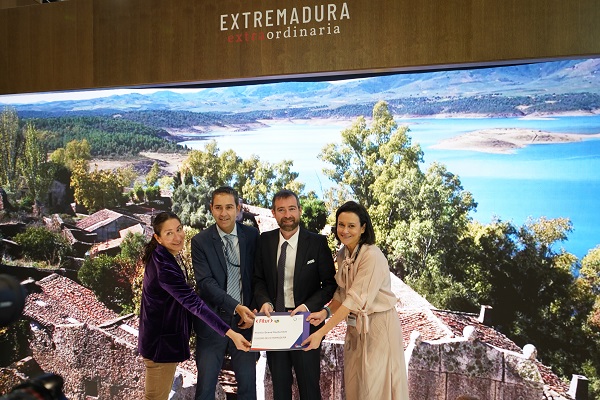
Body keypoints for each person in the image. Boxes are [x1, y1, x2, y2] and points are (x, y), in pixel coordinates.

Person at [302, 201, 409, 400]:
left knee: (375, 389)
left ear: (363, 228)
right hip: (354, 330)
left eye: (351, 226)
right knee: (355, 388)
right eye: (341, 225)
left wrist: (321, 333)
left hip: (378, 328)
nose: (345, 230)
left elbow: (353, 300)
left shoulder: (372, 255)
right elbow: (342, 294)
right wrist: (325, 313)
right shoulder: (343, 254)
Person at [137, 211, 251, 400]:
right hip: (160, 347)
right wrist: (231, 334)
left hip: (161, 344)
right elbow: (194, 304)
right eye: (169, 233)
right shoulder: (164, 266)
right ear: (157, 238)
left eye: (179, 229)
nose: (178, 237)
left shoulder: (164, 256)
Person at [253, 189, 337, 400]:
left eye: (291, 209)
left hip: (306, 324)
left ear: (299, 210)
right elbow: (258, 279)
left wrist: (308, 306)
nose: (287, 215)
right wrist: (264, 301)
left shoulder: (317, 243)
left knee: (309, 389)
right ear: (273, 213)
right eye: (281, 210)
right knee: (280, 390)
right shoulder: (264, 241)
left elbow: (329, 284)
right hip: (275, 324)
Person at [191, 187, 260, 400]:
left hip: (246, 323)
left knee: (248, 389)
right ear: (211, 209)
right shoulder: (200, 241)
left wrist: (253, 310)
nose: (223, 213)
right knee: (205, 389)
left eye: (229, 207)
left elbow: (258, 277)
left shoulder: (252, 236)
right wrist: (236, 306)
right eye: (218, 207)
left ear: (238, 209)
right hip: (212, 322)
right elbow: (206, 283)